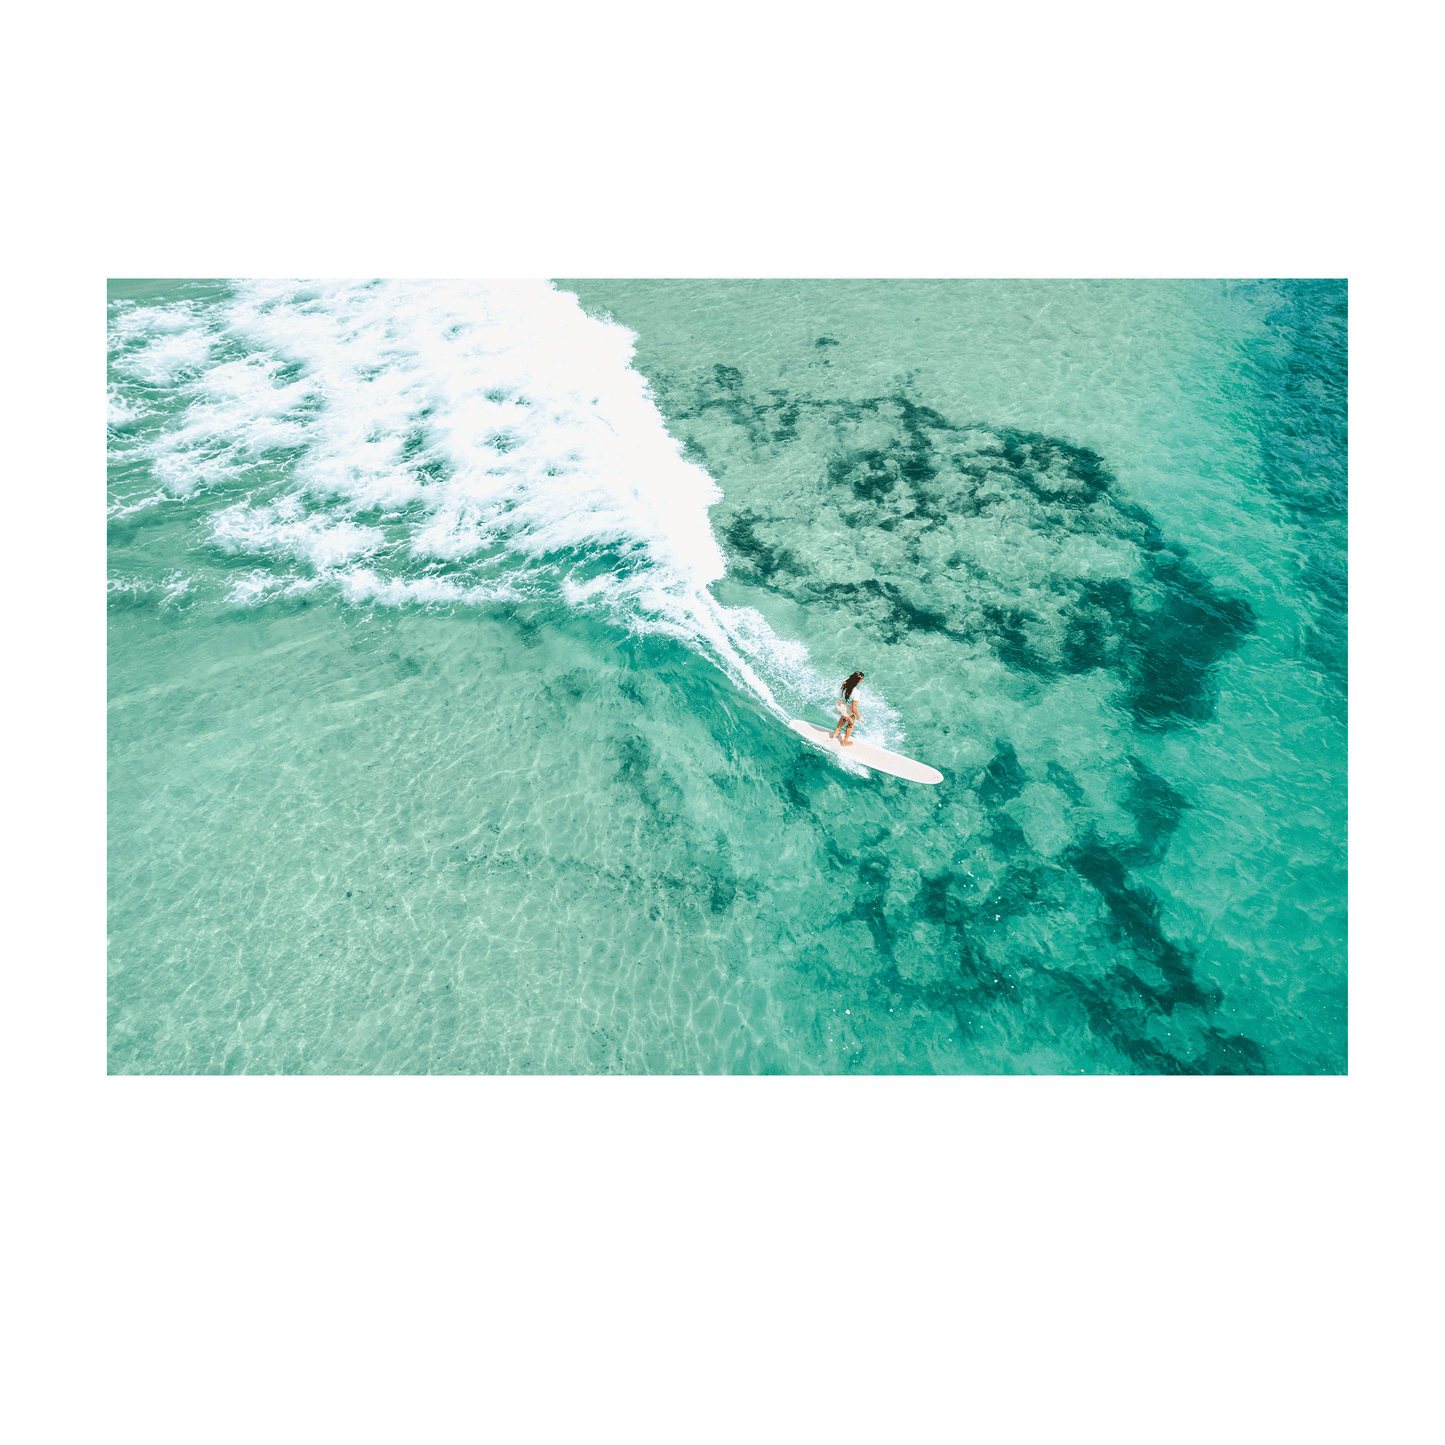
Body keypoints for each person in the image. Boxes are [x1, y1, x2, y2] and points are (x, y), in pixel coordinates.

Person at [829, 671, 865, 746]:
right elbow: (854, 708)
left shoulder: (845, 682)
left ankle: (836, 733)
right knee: (851, 723)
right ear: (858, 681)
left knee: (844, 716)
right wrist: (859, 716)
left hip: (838, 705)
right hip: (844, 708)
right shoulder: (856, 692)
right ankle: (844, 742)